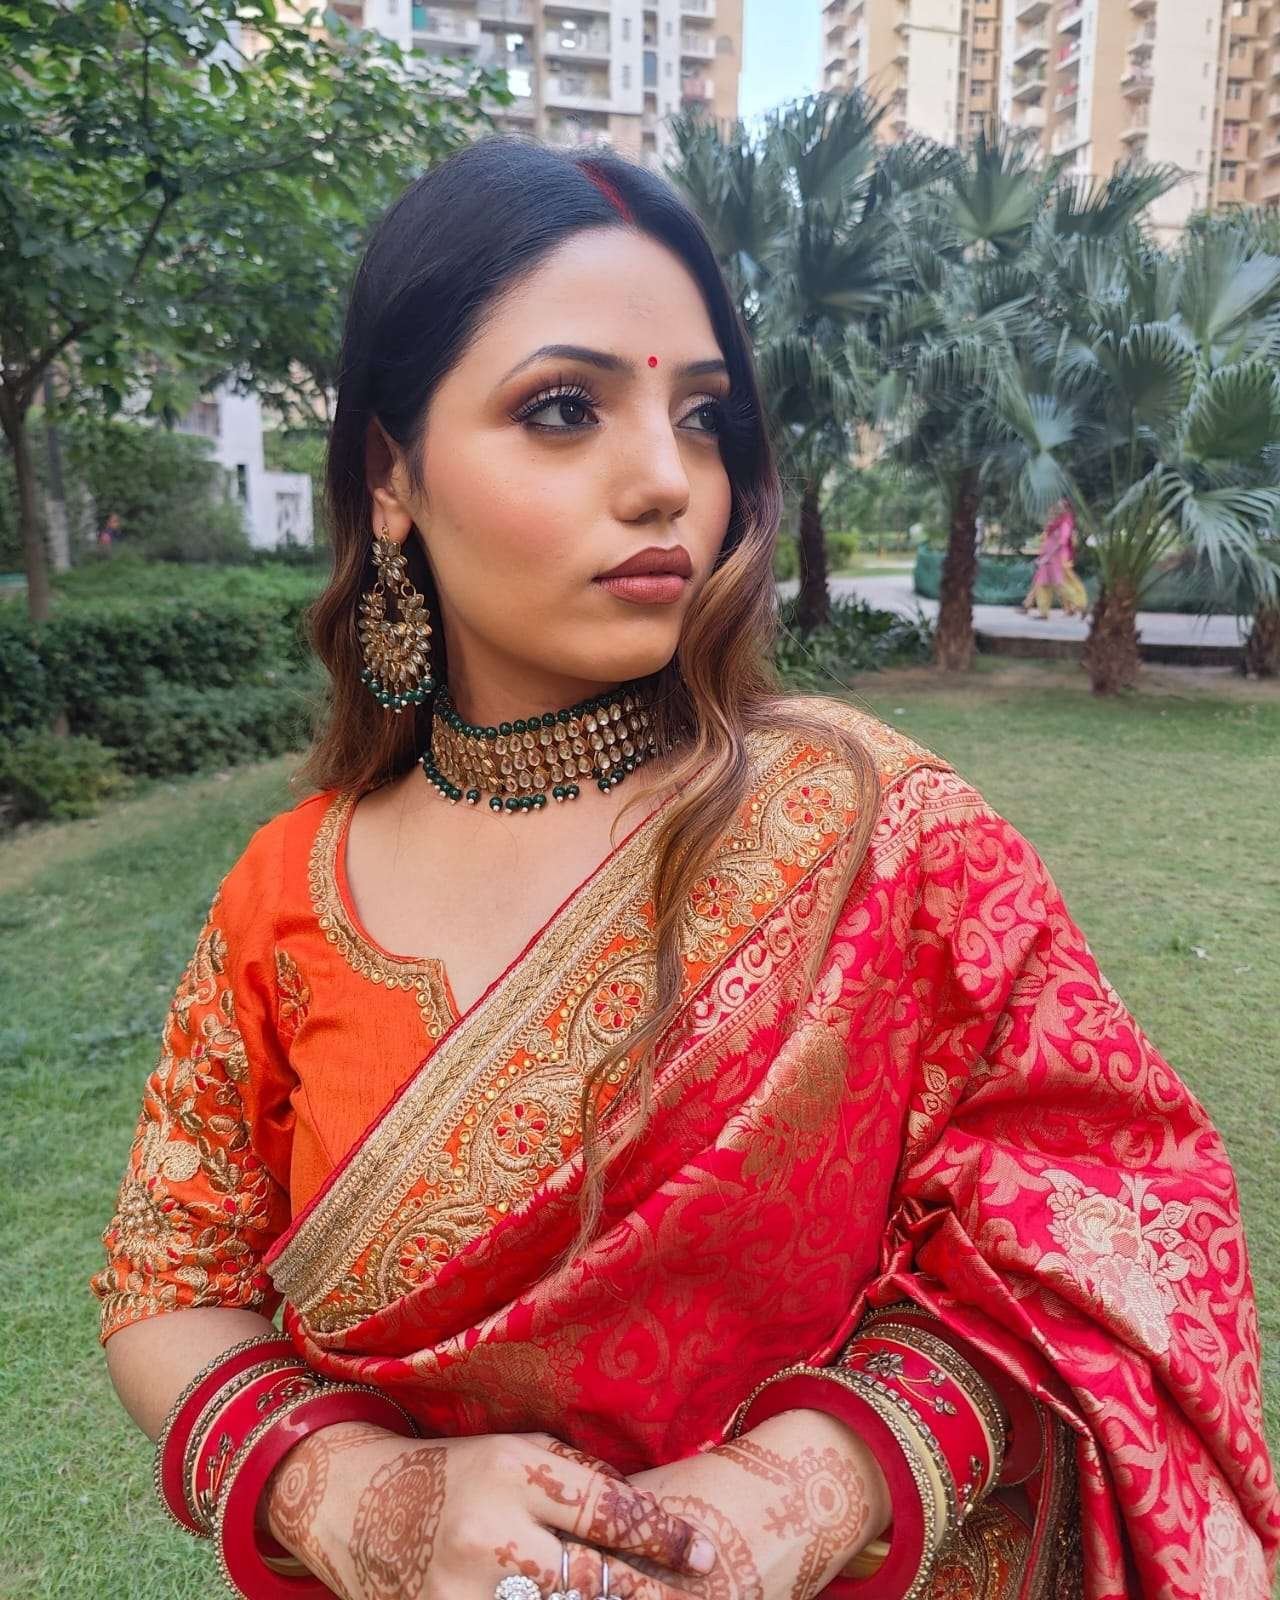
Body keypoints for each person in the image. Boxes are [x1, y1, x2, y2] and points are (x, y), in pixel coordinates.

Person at [92, 137, 1278, 1600]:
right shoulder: (286, 891)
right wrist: (360, 1498)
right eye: (563, 408)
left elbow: (1116, 1223)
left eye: (704, 416)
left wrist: (801, 1490)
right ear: (391, 473)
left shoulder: (882, 834)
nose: (668, 481)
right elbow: (169, 1280)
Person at [1021, 501, 1088, 620]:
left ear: (1066, 509)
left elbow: (1062, 542)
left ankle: (1080, 606)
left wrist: (1048, 556)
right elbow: (1046, 539)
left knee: (1060, 584)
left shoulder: (1065, 523)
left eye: (1060, 506)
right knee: (1042, 584)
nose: (1057, 509)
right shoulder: (1054, 523)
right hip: (1047, 558)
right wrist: (1043, 555)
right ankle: (1043, 613)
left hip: (1057, 558)